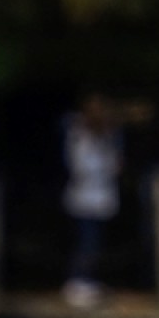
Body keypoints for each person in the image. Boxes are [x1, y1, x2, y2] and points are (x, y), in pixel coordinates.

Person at [61, 94, 125, 306]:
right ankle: (77, 284)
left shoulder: (106, 138)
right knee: (86, 244)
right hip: (84, 199)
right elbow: (82, 166)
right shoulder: (78, 136)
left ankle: (88, 282)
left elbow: (114, 164)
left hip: (100, 199)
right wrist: (108, 166)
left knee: (94, 244)